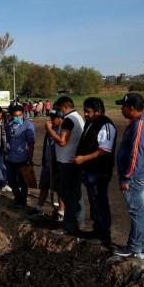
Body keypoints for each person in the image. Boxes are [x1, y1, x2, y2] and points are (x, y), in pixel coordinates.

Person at [114, 93, 144, 258]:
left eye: (123, 106)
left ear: (131, 108)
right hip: (139, 175)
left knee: (136, 213)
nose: (121, 109)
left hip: (135, 176)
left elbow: (136, 155)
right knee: (138, 212)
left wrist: (127, 177)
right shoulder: (141, 123)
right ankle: (141, 247)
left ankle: (135, 248)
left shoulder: (140, 125)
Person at [73, 98, 117, 247]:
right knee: (94, 201)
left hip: (99, 172)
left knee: (101, 202)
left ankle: (105, 235)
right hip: (89, 170)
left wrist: (83, 158)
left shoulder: (106, 125)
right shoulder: (90, 123)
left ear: (98, 111)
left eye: (88, 111)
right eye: (84, 110)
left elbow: (104, 150)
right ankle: (96, 229)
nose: (85, 114)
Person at [45, 96, 85, 234]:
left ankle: (69, 226)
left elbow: (62, 141)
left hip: (67, 163)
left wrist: (49, 130)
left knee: (68, 195)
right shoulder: (78, 118)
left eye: (59, 108)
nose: (58, 111)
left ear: (64, 107)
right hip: (72, 161)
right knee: (75, 194)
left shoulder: (68, 120)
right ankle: (78, 222)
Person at [33, 110, 64, 219]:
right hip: (47, 163)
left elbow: (61, 141)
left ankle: (61, 212)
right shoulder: (49, 130)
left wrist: (50, 129)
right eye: (50, 117)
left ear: (60, 118)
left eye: (54, 118)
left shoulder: (62, 129)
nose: (51, 120)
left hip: (57, 164)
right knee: (44, 187)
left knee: (60, 190)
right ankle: (39, 208)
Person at [5, 105, 35, 206]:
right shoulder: (9, 125)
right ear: (11, 116)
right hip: (11, 158)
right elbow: (8, 139)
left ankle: (22, 200)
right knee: (11, 181)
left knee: (23, 182)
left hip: (23, 158)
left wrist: (30, 159)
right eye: (15, 116)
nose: (17, 118)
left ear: (23, 114)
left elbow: (31, 143)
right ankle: (17, 196)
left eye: (19, 115)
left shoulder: (28, 125)